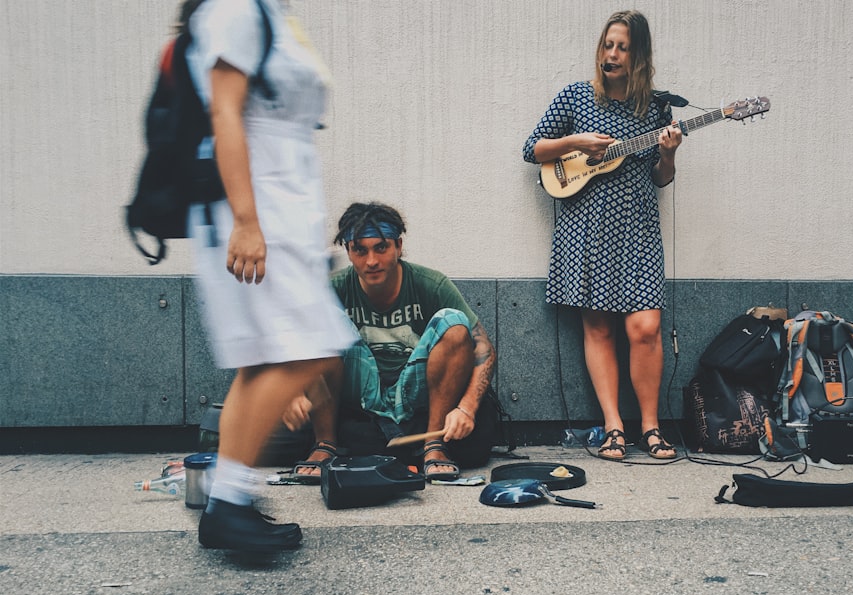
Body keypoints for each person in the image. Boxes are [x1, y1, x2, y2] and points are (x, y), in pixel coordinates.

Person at [184, 0, 358, 553]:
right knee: (314, 349)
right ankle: (229, 499)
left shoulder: (271, 12)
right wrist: (246, 220)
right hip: (257, 205)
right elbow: (225, 112)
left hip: (281, 206)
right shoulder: (234, 7)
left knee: (263, 358)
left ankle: (226, 504)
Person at [522, 10, 682, 461]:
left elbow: (661, 178)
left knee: (645, 326)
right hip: (586, 222)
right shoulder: (575, 97)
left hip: (637, 225)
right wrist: (577, 143)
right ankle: (614, 426)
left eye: (623, 47)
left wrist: (668, 156)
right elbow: (532, 148)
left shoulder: (654, 108)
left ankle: (651, 427)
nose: (611, 55)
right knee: (598, 326)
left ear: (639, 56)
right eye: (608, 45)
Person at [282, 202, 497, 481]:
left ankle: (434, 446)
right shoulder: (335, 288)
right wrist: (293, 392)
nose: (371, 261)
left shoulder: (430, 284)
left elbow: (485, 350)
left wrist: (466, 408)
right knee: (320, 319)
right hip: (359, 390)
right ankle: (325, 443)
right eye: (360, 250)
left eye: (381, 248)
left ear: (398, 246)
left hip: (413, 389)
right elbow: (292, 342)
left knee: (454, 323)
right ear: (348, 251)